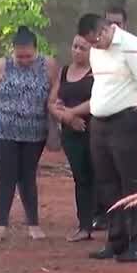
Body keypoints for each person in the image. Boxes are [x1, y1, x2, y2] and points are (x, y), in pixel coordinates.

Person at [76, 13, 137, 262]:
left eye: (95, 40)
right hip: (100, 123)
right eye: (90, 43)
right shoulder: (96, 51)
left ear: (105, 30)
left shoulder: (132, 47)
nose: (94, 46)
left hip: (127, 120)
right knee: (107, 184)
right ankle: (116, 240)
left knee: (132, 184)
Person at [0, 26, 58, 244]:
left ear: (36, 50)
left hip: (34, 132)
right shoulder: (2, 65)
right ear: (13, 51)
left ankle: (33, 224)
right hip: (2, 130)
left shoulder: (48, 65)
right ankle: (0, 226)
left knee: (28, 175)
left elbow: (55, 91)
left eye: (28, 56)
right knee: (6, 176)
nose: (23, 60)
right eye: (19, 56)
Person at [50, 34, 101, 242]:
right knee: (81, 178)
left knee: (99, 176)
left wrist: (71, 113)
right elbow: (52, 102)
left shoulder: (97, 73)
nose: (77, 51)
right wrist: (68, 118)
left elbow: (97, 100)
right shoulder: (63, 72)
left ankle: (106, 219)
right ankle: (84, 225)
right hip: (71, 134)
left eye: (83, 48)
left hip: (93, 131)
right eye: (75, 46)